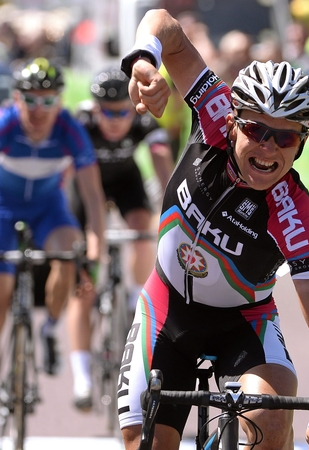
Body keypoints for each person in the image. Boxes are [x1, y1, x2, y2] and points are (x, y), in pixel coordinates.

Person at [117, 8, 309, 450]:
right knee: (141, 438)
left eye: (285, 138)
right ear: (232, 122)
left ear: (301, 144)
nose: (267, 147)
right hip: (167, 310)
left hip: (243, 324)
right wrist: (144, 60)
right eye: (257, 130)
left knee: (271, 420)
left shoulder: (294, 214)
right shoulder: (212, 114)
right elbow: (163, 24)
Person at [0, 57, 106, 448]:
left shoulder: (70, 130)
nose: (39, 111)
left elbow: (92, 197)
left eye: (48, 101)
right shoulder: (2, 124)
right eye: (30, 101)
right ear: (16, 99)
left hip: (48, 209)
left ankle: (51, 327)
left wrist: (94, 250)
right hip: (1, 209)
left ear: (60, 101)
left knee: (68, 254)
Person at [66, 67, 174, 411]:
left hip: (126, 182)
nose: (113, 120)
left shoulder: (145, 122)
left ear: (133, 108)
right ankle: (81, 376)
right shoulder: (79, 123)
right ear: (94, 108)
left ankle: (132, 297)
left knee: (142, 228)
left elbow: (162, 165)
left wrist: (172, 213)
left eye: (121, 112)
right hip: (86, 188)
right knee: (83, 286)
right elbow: (61, 173)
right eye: (105, 111)